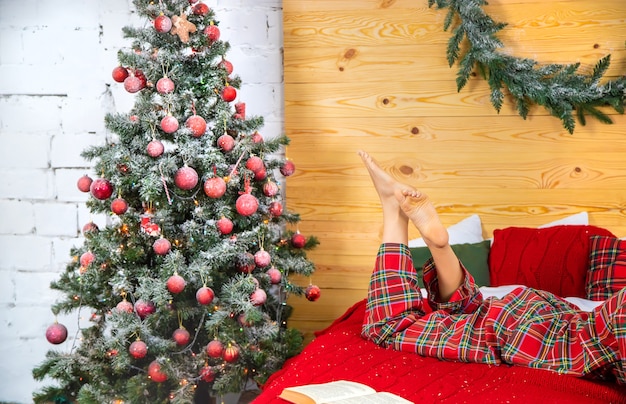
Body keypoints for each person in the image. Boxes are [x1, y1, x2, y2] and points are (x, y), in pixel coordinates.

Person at [357, 150, 626, 384]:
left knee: (467, 312)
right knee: (391, 328)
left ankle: (437, 245)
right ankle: (398, 214)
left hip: (548, 318)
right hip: (546, 336)